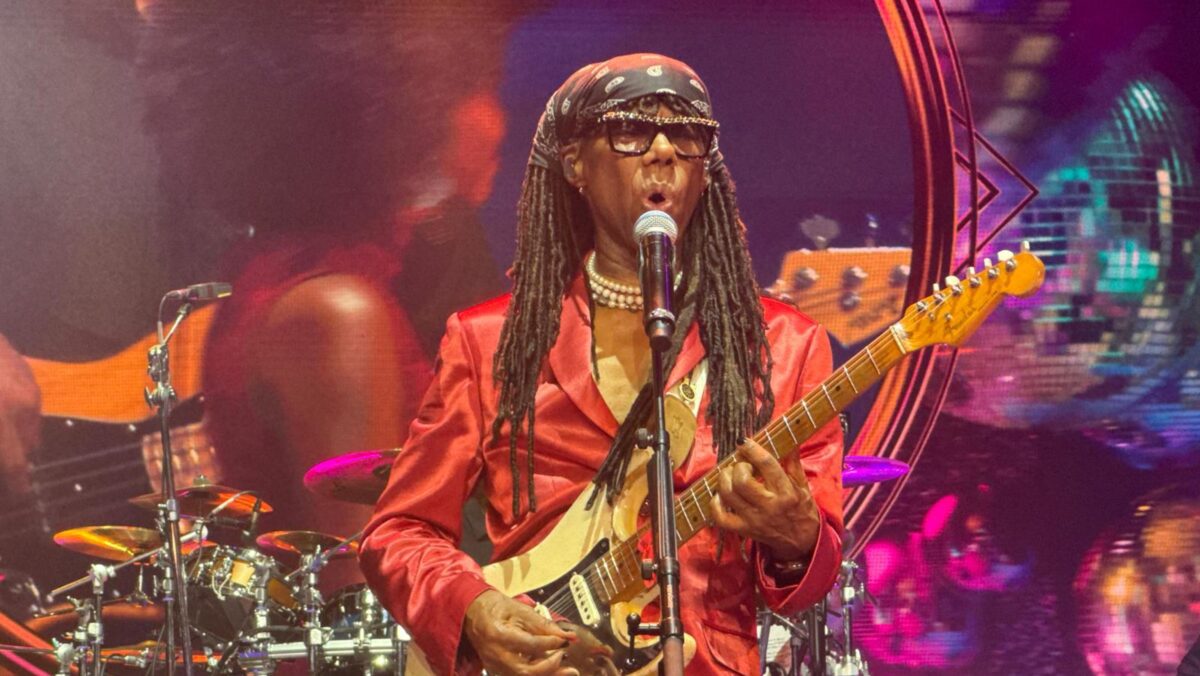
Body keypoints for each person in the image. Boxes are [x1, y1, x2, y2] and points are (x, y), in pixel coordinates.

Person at [360, 53, 844, 675]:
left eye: (687, 134)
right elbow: (398, 531)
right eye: (632, 130)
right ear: (575, 165)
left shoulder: (783, 344)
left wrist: (797, 538)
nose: (663, 150)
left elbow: (805, 585)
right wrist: (472, 608)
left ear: (706, 170)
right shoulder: (490, 342)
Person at [135, 1, 512, 554]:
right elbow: (359, 588)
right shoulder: (335, 312)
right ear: (409, 110)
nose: (499, 119)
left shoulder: (289, 280)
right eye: (476, 87)